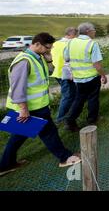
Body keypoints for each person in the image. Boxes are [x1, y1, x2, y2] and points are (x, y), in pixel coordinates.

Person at [0, 33, 80, 177]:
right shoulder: (24, 61)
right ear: (37, 44)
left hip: (35, 107)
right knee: (49, 133)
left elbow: (44, 74)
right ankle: (65, 157)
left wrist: (48, 59)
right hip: (31, 108)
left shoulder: (37, 57)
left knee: (18, 136)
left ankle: (5, 165)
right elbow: (18, 88)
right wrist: (23, 109)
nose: (48, 51)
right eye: (47, 48)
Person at [64, 23, 107, 131]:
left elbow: (66, 58)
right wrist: (103, 75)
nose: (95, 31)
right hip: (91, 77)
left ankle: (70, 120)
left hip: (78, 78)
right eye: (94, 30)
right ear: (88, 31)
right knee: (93, 98)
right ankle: (92, 119)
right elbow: (96, 64)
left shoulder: (71, 42)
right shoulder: (92, 44)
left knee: (79, 99)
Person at [51, 27, 78, 124]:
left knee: (72, 94)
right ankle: (61, 118)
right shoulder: (70, 44)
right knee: (68, 96)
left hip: (57, 72)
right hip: (66, 74)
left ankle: (70, 114)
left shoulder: (56, 44)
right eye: (76, 35)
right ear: (72, 35)